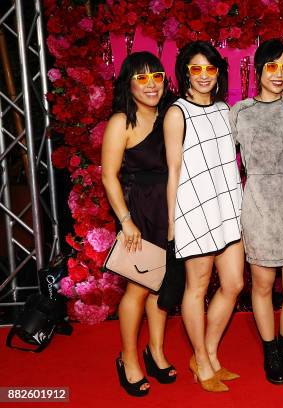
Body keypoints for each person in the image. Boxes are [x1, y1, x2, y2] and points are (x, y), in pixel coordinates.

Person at [164, 41, 244, 392]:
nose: (203, 76)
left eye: (209, 68)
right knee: (196, 289)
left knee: (234, 284)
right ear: (185, 73)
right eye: (195, 69)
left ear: (217, 73)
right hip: (193, 211)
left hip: (227, 209)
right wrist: (172, 221)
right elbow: (174, 169)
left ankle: (208, 353)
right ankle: (200, 357)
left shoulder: (225, 109)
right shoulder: (176, 112)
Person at [228, 39, 283, 385]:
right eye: (272, 66)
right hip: (259, 204)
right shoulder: (240, 111)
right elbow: (221, 163)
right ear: (258, 70)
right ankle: (270, 350)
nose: (279, 74)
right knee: (261, 286)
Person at [101, 51, 177, 397]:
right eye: (142, 78)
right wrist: (126, 221)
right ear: (128, 84)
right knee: (138, 288)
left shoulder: (172, 115)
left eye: (156, 76)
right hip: (141, 213)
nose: (151, 84)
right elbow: (109, 176)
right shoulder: (121, 122)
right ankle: (128, 358)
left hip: (172, 210)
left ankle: (156, 351)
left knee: (162, 289)